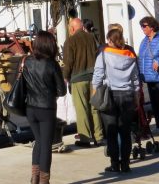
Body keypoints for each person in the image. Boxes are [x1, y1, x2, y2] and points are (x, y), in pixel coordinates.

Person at [92, 27, 139, 173]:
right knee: (125, 131)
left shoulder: (104, 54)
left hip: (110, 95)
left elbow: (98, 75)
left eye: (108, 40)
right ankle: (125, 164)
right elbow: (135, 78)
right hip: (127, 95)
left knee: (111, 131)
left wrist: (95, 92)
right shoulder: (130, 54)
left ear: (111, 41)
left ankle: (114, 164)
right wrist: (136, 95)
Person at [22, 31, 66, 184]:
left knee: (39, 141)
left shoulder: (27, 61)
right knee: (46, 145)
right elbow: (62, 90)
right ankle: (44, 180)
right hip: (46, 109)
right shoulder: (52, 64)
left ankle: (35, 177)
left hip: (30, 108)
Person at [63, 17, 104, 146]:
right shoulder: (92, 38)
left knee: (82, 109)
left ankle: (86, 138)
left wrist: (66, 77)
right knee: (95, 108)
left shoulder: (70, 41)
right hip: (94, 78)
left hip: (78, 78)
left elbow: (68, 62)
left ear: (72, 28)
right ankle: (99, 136)